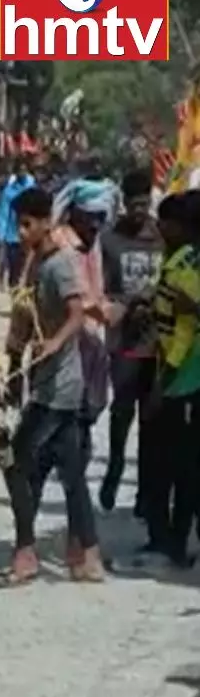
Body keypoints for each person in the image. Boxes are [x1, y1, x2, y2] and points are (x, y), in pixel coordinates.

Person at [0, 186, 103, 585]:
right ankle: (86, 555)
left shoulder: (60, 264)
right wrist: (14, 362)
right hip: (45, 381)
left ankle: (26, 551)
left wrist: (55, 343)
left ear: (45, 222)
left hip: (60, 385)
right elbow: (24, 318)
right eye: (18, 224)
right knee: (71, 472)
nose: (22, 232)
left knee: (17, 462)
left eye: (27, 224)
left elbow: (78, 313)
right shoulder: (34, 263)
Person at [99, 171, 165, 529]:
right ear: (124, 202)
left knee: (152, 424)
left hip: (157, 344)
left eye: (145, 204)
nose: (140, 211)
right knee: (121, 413)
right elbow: (104, 289)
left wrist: (147, 300)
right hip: (124, 342)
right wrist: (123, 305)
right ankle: (114, 466)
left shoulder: (162, 237)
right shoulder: (111, 239)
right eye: (134, 204)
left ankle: (145, 494)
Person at [145, 192, 200, 568]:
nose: (159, 228)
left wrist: (163, 383)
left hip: (182, 376)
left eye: (165, 222)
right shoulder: (179, 259)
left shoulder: (184, 265)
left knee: (179, 465)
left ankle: (174, 542)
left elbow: (183, 330)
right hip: (179, 373)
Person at [0, 158, 37, 288]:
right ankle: (15, 295)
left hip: (30, 236)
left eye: (24, 170)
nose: (22, 173)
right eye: (20, 170)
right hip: (13, 236)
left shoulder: (32, 187)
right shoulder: (8, 191)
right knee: (15, 270)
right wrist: (1, 237)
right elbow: (3, 215)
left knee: (29, 270)